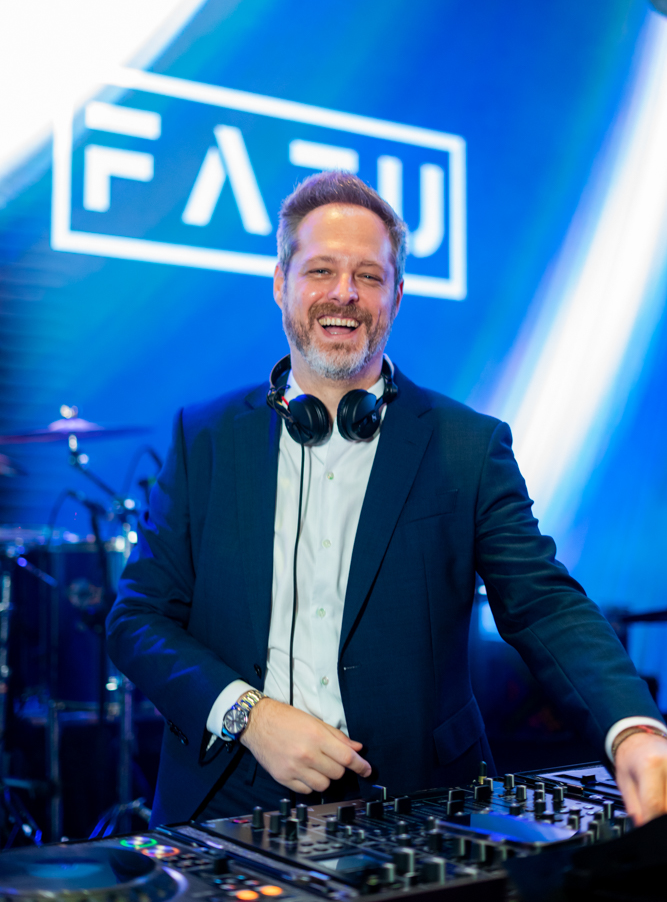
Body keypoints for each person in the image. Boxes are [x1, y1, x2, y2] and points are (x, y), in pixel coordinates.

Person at [107, 171, 667, 829]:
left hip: (418, 802)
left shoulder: (467, 445)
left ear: (396, 297)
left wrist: (633, 730)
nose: (344, 293)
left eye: (368, 276)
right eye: (320, 270)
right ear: (281, 283)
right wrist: (248, 715)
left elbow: (544, 603)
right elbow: (137, 619)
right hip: (223, 800)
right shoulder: (203, 437)